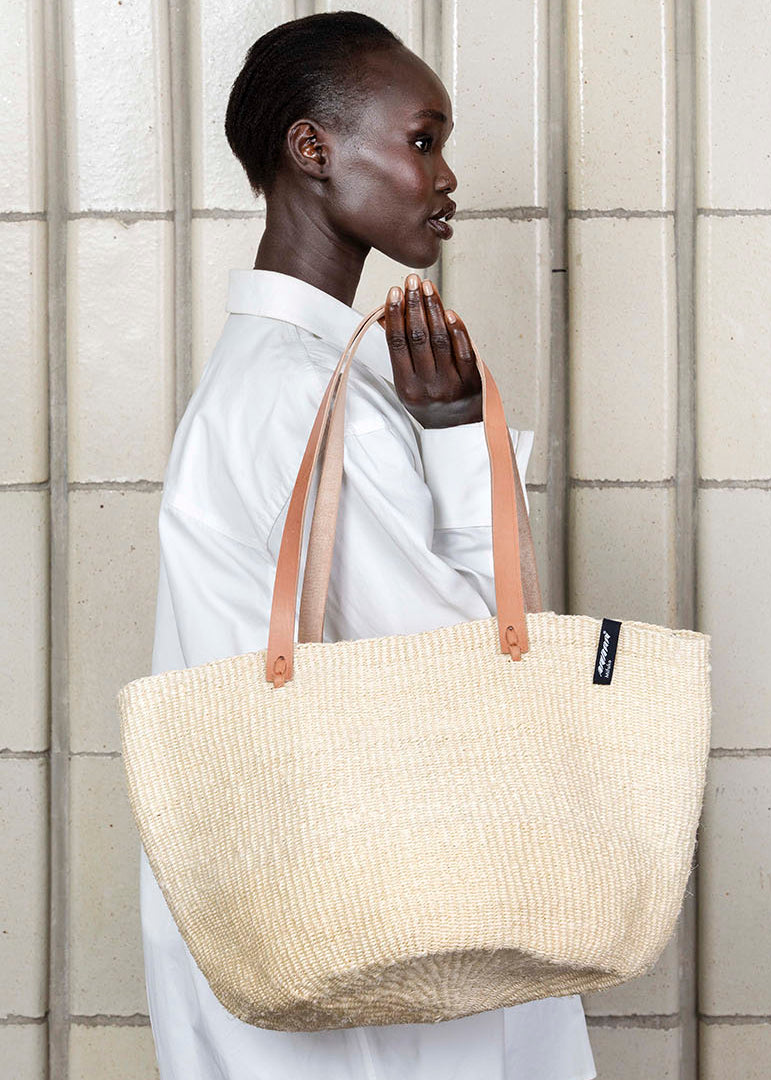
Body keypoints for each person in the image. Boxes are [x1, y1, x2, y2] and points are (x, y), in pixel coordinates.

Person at [138, 11, 598, 1080]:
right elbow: (469, 664)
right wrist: (455, 441)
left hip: (283, 894)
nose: (446, 177)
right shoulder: (308, 395)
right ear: (314, 149)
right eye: (422, 140)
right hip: (363, 922)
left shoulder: (273, 372)